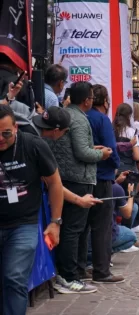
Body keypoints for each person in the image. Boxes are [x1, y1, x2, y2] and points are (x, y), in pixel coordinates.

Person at [49, 82, 111, 294]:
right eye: (92, 97)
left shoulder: (68, 115)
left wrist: (92, 148)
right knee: (73, 230)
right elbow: (81, 153)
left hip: (67, 178)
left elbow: (73, 147)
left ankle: (72, 272)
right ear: (87, 100)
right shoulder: (77, 119)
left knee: (73, 229)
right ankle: (68, 276)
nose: (93, 101)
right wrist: (101, 155)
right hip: (76, 180)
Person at [0, 105, 64, 314]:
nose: (1, 138)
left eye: (6, 133)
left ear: (16, 128)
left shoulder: (33, 145)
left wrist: (55, 223)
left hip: (23, 224)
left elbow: (55, 183)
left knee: (14, 277)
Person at [86, 85, 124, 284]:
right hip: (102, 176)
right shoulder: (101, 119)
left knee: (83, 226)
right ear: (106, 102)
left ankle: (80, 267)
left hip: (83, 178)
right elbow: (111, 148)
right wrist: (115, 164)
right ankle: (102, 270)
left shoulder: (82, 116)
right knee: (102, 226)